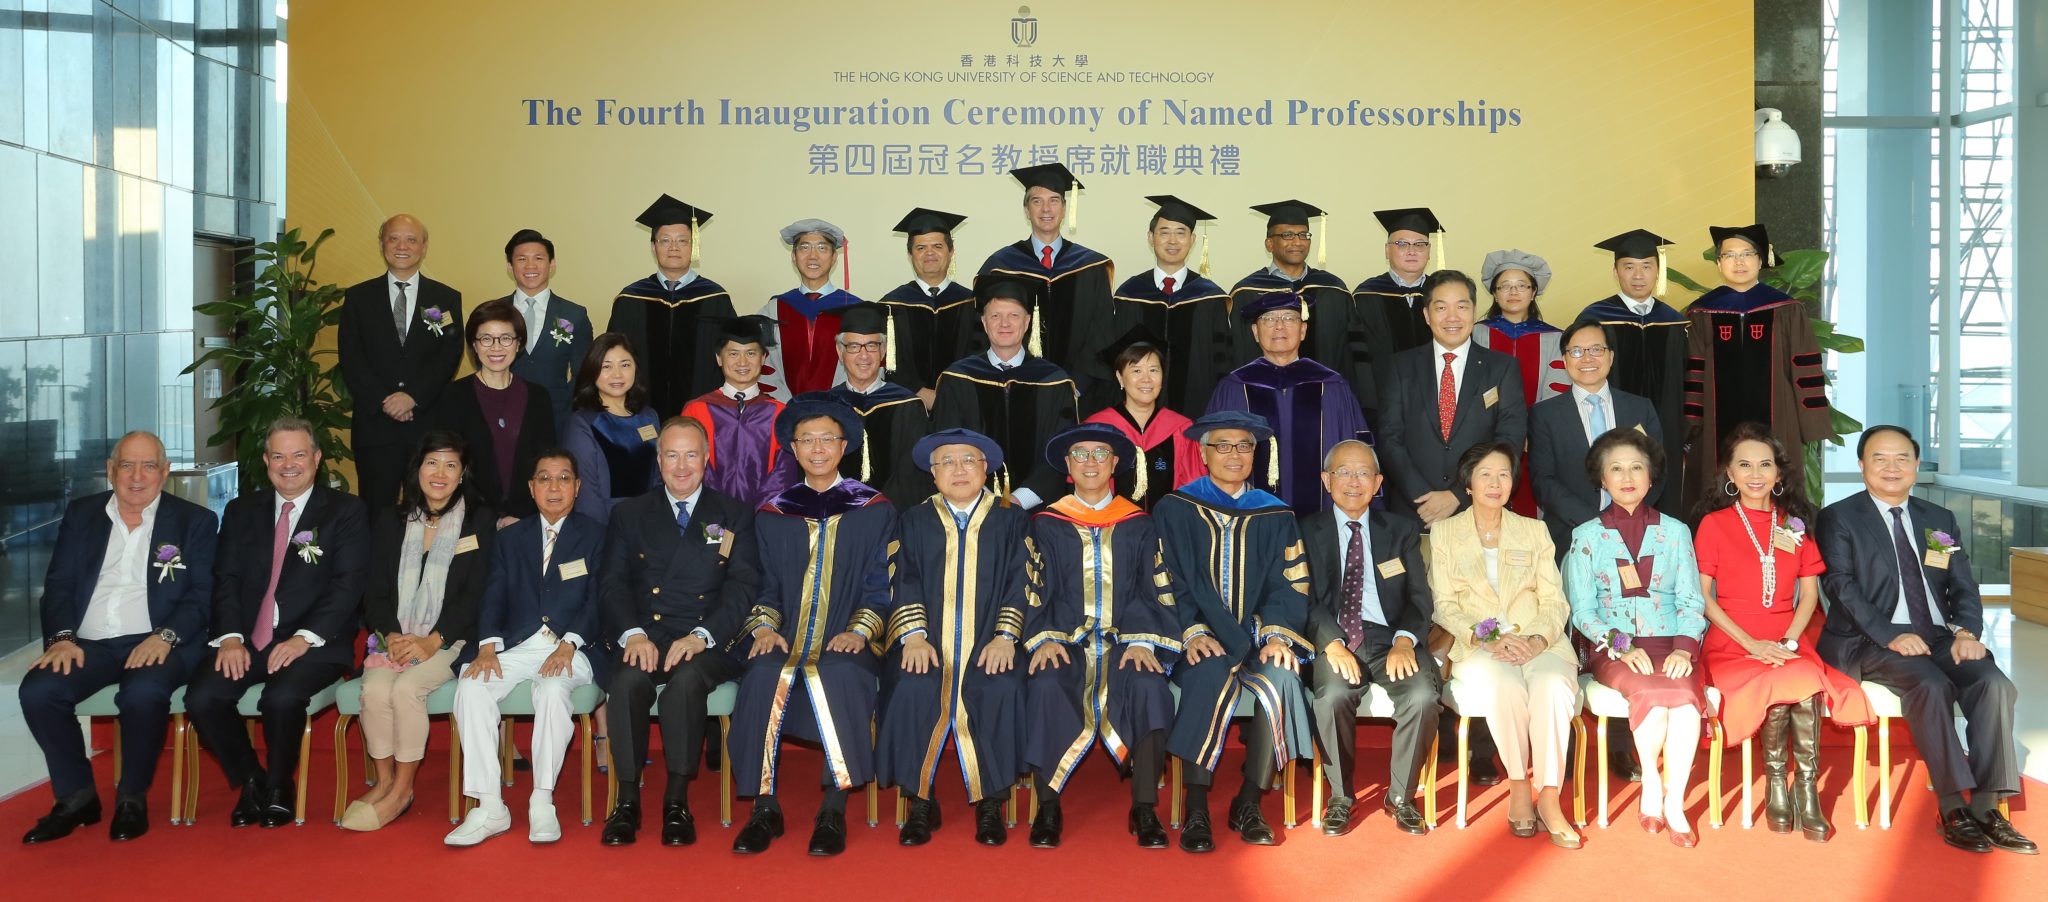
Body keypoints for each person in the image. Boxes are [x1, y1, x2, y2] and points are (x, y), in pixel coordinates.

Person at [1817, 425, 2033, 854]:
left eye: (1902, 458)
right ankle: (1952, 806)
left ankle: (1988, 807)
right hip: (1870, 639)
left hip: (1937, 636)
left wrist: (1966, 632)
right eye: (1879, 458)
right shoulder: (1839, 517)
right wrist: (1891, 635)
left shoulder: (1938, 520)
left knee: (1993, 683)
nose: (1891, 467)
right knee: (1930, 683)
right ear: (1862, 465)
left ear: (1917, 465)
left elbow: (1962, 584)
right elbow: (1841, 588)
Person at [20, 431, 218, 843]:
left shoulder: (193, 521)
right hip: (87, 643)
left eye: (149, 466)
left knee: (142, 693)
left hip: (159, 640)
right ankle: (77, 797)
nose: (137, 476)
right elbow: (58, 584)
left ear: (164, 472)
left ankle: (131, 798)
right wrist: (61, 637)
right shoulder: (82, 514)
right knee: (39, 690)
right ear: (111, 470)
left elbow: (203, 597)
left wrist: (165, 636)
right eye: (127, 465)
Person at [729, 398, 895, 856]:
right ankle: (764, 807)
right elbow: (760, 586)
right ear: (793, 448)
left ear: (844, 446)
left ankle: (832, 807)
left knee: (841, 673)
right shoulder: (772, 513)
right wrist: (763, 628)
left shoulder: (875, 509)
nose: (817, 448)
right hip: (786, 634)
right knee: (762, 674)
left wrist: (860, 630)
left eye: (827, 439)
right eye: (807, 440)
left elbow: (882, 584)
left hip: (847, 635)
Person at [186, 418, 369, 828]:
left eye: (299, 454)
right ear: (266, 460)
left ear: (317, 459)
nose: (289, 465)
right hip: (248, 638)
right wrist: (230, 638)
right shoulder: (240, 511)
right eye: (279, 455)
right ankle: (252, 780)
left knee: (280, 699)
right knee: (203, 697)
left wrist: (305, 638)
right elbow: (225, 579)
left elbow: (348, 584)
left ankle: (280, 784)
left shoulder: (346, 512)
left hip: (315, 642)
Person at [1695, 423, 1871, 843]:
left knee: (1803, 679)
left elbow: (1809, 595)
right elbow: (1703, 598)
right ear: (1730, 474)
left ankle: (1805, 788)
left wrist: (1789, 641)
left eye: (1765, 464)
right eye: (1744, 465)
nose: (1755, 473)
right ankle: (1778, 783)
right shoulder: (1713, 525)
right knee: (1777, 684)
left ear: (1778, 474)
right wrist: (1751, 644)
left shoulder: (1793, 525)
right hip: (1732, 642)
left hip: (1787, 638)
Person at [597, 417, 761, 847]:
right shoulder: (628, 513)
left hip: (707, 637)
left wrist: (702, 635)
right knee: (628, 679)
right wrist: (633, 634)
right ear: (659, 460)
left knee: (687, 682)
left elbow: (743, 587)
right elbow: (611, 582)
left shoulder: (733, 515)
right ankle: (627, 800)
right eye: (672, 455)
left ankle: (675, 799)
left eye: (691, 455)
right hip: (646, 633)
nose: (682, 466)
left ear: (708, 460)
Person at [1153, 411, 1313, 853]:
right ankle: (1198, 805)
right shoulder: (1175, 508)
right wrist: (1191, 630)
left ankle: (1248, 801)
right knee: (1207, 672)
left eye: (1244, 445)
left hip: (1258, 638)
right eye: (1222, 445)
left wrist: (1278, 635)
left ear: (1255, 453)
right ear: (1203, 454)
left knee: (1281, 679)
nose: (1234, 454)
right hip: (1199, 638)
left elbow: (1291, 582)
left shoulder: (1275, 513)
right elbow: (1164, 577)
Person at [1022, 424, 1181, 849]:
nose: (1090, 461)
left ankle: (1144, 807)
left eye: (1100, 454)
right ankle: (1048, 806)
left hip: (1126, 642)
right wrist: (1045, 639)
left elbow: (1156, 588)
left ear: (1115, 464)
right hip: (1065, 642)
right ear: (1068, 467)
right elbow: (1032, 591)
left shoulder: (1139, 523)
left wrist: (1145, 641)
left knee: (1148, 687)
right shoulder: (1045, 523)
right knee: (1046, 684)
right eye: (1080, 454)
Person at [877, 427, 1028, 847]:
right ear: (932, 472)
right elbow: (901, 579)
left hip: (989, 644)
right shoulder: (913, 519)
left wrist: (1005, 637)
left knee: (1001, 687)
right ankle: (920, 800)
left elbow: (1024, 582)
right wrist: (912, 636)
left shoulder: (1012, 520)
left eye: (968, 460)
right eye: (947, 461)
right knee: (912, 685)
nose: (958, 470)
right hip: (927, 644)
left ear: (985, 469)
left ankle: (991, 802)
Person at [445, 450, 605, 847]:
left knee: (552, 691)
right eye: (545, 479)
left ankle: (542, 799)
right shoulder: (510, 538)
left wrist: (570, 644)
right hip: (518, 644)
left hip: (574, 646)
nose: (554, 487)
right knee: (471, 684)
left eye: (564, 478)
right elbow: (493, 594)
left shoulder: (598, 535)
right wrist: (486, 646)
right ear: (531, 488)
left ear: (577, 487)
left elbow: (601, 599)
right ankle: (489, 805)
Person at [1427, 442, 1581, 848]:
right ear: (1469, 483)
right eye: (1486, 475)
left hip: (1539, 641)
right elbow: (1443, 605)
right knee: (1505, 686)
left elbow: (1555, 601)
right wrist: (1489, 637)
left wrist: (1533, 639)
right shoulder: (1444, 533)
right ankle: (1517, 785)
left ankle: (1549, 795)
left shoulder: (1534, 530)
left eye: (1504, 474)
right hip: (1479, 646)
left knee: (1551, 686)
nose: (1496, 483)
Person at [342, 430, 496, 832]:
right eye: (432, 463)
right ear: (418, 470)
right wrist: (391, 634)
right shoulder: (392, 519)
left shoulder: (479, 520)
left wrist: (433, 640)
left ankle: (403, 790)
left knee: (408, 690)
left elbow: (475, 592)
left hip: (450, 637)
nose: (440, 473)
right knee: (375, 690)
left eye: (451, 465)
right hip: (394, 635)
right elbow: (374, 589)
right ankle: (386, 780)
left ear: (462, 474)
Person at [1564, 428, 1708, 847]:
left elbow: (1690, 599)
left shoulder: (1676, 531)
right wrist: (1620, 646)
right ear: (1602, 480)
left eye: (1637, 467)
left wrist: (1685, 647)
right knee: (1652, 696)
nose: (1627, 476)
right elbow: (1582, 610)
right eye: (1616, 468)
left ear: (1651, 477)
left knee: (1682, 705)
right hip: (1615, 648)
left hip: (1672, 644)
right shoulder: (1586, 536)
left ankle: (1674, 801)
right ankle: (1650, 787)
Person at [1304, 440, 1440, 838]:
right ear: (1326, 480)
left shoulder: (1401, 530)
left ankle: (1401, 797)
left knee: (1422, 697)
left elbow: (1419, 598)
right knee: (1331, 697)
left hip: (1389, 639)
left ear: (1378, 482)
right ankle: (1341, 798)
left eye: (1364, 473)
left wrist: (1404, 641)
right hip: (1333, 637)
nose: (1353, 481)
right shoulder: (1304, 530)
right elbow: (1301, 596)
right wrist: (1330, 642)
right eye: (1343, 472)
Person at [1681, 223, 1832, 512]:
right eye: (1729, 255)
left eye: (1747, 254)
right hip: (1716, 425)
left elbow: (1805, 369)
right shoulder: (1701, 312)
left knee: (1778, 496)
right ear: (1718, 262)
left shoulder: (1786, 309)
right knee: (1716, 497)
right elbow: (1694, 373)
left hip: (1778, 420)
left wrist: (1809, 425)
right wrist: (1690, 427)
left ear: (1761, 259)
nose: (1739, 262)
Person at [1377, 270, 1528, 525]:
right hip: (1413, 511)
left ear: (1473, 312)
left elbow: (1509, 440)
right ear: (1426, 315)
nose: (1452, 317)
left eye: (1461, 306)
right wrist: (1423, 498)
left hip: (1478, 508)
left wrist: (1458, 495)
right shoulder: (1399, 366)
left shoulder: (1503, 368)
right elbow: (1390, 438)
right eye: (1441, 307)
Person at [337, 213, 464, 509]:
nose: (402, 246)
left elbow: (450, 355)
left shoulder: (445, 297)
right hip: (375, 427)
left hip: (427, 423)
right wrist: (385, 400)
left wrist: (413, 397)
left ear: (424, 246)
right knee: (375, 511)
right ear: (382, 243)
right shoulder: (358, 297)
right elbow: (351, 356)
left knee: (428, 509)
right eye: (393, 238)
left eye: (411, 239)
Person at [1206, 291, 1369, 517]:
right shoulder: (1234, 386)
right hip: (1248, 523)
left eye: (1289, 318)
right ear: (1255, 332)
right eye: (1269, 319)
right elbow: (1212, 455)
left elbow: (1358, 450)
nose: (1279, 326)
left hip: (1323, 523)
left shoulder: (1332, 385)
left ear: (1303, 331)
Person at [931, 278, 1079, 511]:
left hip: (1040, 509)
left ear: (1028, 321)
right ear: (984, 322)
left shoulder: (1054, 381)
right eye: (995, 316)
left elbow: (1060, 449)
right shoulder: (957, 379)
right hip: (970, 506)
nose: (1004, 324)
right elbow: (947, 444)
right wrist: (982, 495)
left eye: (1014, 315)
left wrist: (1021, 499)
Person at [1528, 321, 1665, 557]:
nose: (1587, 358)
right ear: (1565, 360)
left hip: (1637, 532)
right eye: (1577, 352)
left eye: (1596, 350)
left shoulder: (1640, 408)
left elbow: (1658, 470)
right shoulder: (1545, 415)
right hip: (1571, 535)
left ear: (1610, 356)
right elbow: (1543, 481)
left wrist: (1626, 517)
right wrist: (1597, 523)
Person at [977, 163, 1116, 393]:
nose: (1046, 209)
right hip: (1014, 386)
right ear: (1026, 210)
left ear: (1064, 208)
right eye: (1037, 201)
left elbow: (1101, 332)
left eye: (1053, 200)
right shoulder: (1000, 266)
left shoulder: (1091, 266)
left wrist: (1076, 385)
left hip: (1079, 392)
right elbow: (985, 329)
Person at [1575, 229, 1691, 499]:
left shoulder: (1675, 321)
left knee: (1664, 493)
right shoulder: (1594, 319)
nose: (1638, 276)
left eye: (1647, 267)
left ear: (1658, 271)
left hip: (1667, 426)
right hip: (1609, 423)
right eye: (1629, 267)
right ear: (1615, 272)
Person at [608, 194, 737, 414]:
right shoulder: (630, 299)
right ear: (653, 246)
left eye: (682, 240)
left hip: (702, 411)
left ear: (693, 245)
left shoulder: (715, 298)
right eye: (665, 240)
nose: (673, 247)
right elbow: (611, 359)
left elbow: (730, 359)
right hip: (639, 411)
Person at [1103, 195, 1232, 413]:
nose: (1172, 241)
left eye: (1180, 233)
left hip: (1196, 414)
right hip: (1138, 416)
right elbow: (1116, 364)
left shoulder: (1211, 298)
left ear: (1192, 240)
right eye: (1164, 233)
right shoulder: (1128, 295)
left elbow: (1223, 365)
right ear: (1151, 238)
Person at [436, 300, 557, 522]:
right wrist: (486, 520)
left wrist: (521, 515)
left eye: (506, 338)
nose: (496, 347)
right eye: (486, 339)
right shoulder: (453, 396)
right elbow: (448, 465)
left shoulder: (538, 396)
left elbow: (546, 464)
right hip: (469, 519)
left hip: (528, 517)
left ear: (518, 343)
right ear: (474, 344)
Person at [1229, 200, 1354, 406]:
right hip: (1261, 401)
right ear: (1269, 244)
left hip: (1326, 402)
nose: (1297, 241)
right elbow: (1237, 355)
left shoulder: (1334, 290)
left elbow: (1349, 357)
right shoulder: (1246, 292)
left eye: (1303, 235)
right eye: (1287, 235)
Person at [1474, 249, 1564, 518]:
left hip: (1534, 440)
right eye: (1505, 286)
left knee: (1530, 504)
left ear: (1534, 291)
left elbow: (1555, 389)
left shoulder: (1554, 338)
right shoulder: (1477, 333)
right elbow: (1472, 387)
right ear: (1494, 292)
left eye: (1521, 285)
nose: (1513, 292)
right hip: (1484, 434)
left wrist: (1530, 431)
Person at [681, 314, 795, 508]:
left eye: (751, 353)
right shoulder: (696, 410)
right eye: (733, 353)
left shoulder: (780, 413)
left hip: (764, 519)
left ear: (763, 358)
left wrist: (757, 514)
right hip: (709, 517)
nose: (743, 362)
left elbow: (784, 474)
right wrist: (719, 510)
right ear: (719, 358)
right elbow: (690, 466)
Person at [1083, 326, 1204, 508]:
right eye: (1136, 371)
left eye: (1154, 370)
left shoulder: (1182, 429)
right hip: (1112, 530)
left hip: (1167, 530)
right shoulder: (1097, 428)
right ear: (1120, 377)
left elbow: (1194, 489)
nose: (1146, 379)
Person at [828, 302, 934, 504]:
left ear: (884, 350)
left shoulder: (908, 405)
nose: (864, 355)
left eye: (872, 345)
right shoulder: (827, 406)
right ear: (840, 352)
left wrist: (880, 510)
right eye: (853, 346)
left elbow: (911, 473)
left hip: (894, 515)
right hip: (838, 513)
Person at [876, 208, 980, 409]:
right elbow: (886, 362)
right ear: (910, 254)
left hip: (964, 405)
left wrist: (954, 396)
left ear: (951, 251)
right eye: (921, 248)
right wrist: (921, 393)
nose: (929, 253)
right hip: (907, 408)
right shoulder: (890, 306)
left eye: (937, 246)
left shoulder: (973, 303)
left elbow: (981, 354)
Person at [1346, 207, 1446, 409]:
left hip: (1439, 403)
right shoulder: (1365, 296)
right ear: (1387, 250)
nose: (1411, 251)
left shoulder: (1443, 294)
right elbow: (1358, 361)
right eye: (1401, 244)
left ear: (1429, 251)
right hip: (1384, 404)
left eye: (1420, 244)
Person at [560, 333, 660, 524]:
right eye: (606, 366)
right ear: (592, 370)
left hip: (650, 522)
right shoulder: (582, 423)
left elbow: (658, 477)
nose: (617, 374)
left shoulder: (649, 416)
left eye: (625, 365)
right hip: (606, 524)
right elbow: (587, 494)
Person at [498, 228, 592, 431]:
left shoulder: (574, 314)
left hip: (556, 418)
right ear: (509, 266)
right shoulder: (494, 312)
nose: (530, 266)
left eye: (538, 258)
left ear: (552, 264)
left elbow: (583, 373)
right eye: (521, 259)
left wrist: (566, 409)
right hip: (502, 415)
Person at [758, 218, 860, 397]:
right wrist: (790, 408)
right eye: (804, 247)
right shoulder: (773, 310)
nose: (813, 256)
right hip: (786, 413)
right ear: (793, 257)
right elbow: (764, 367)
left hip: (842, 411)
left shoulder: (856, 310)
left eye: (822, 248)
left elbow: (866, 366)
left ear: (834, 257)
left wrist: (838, 405)